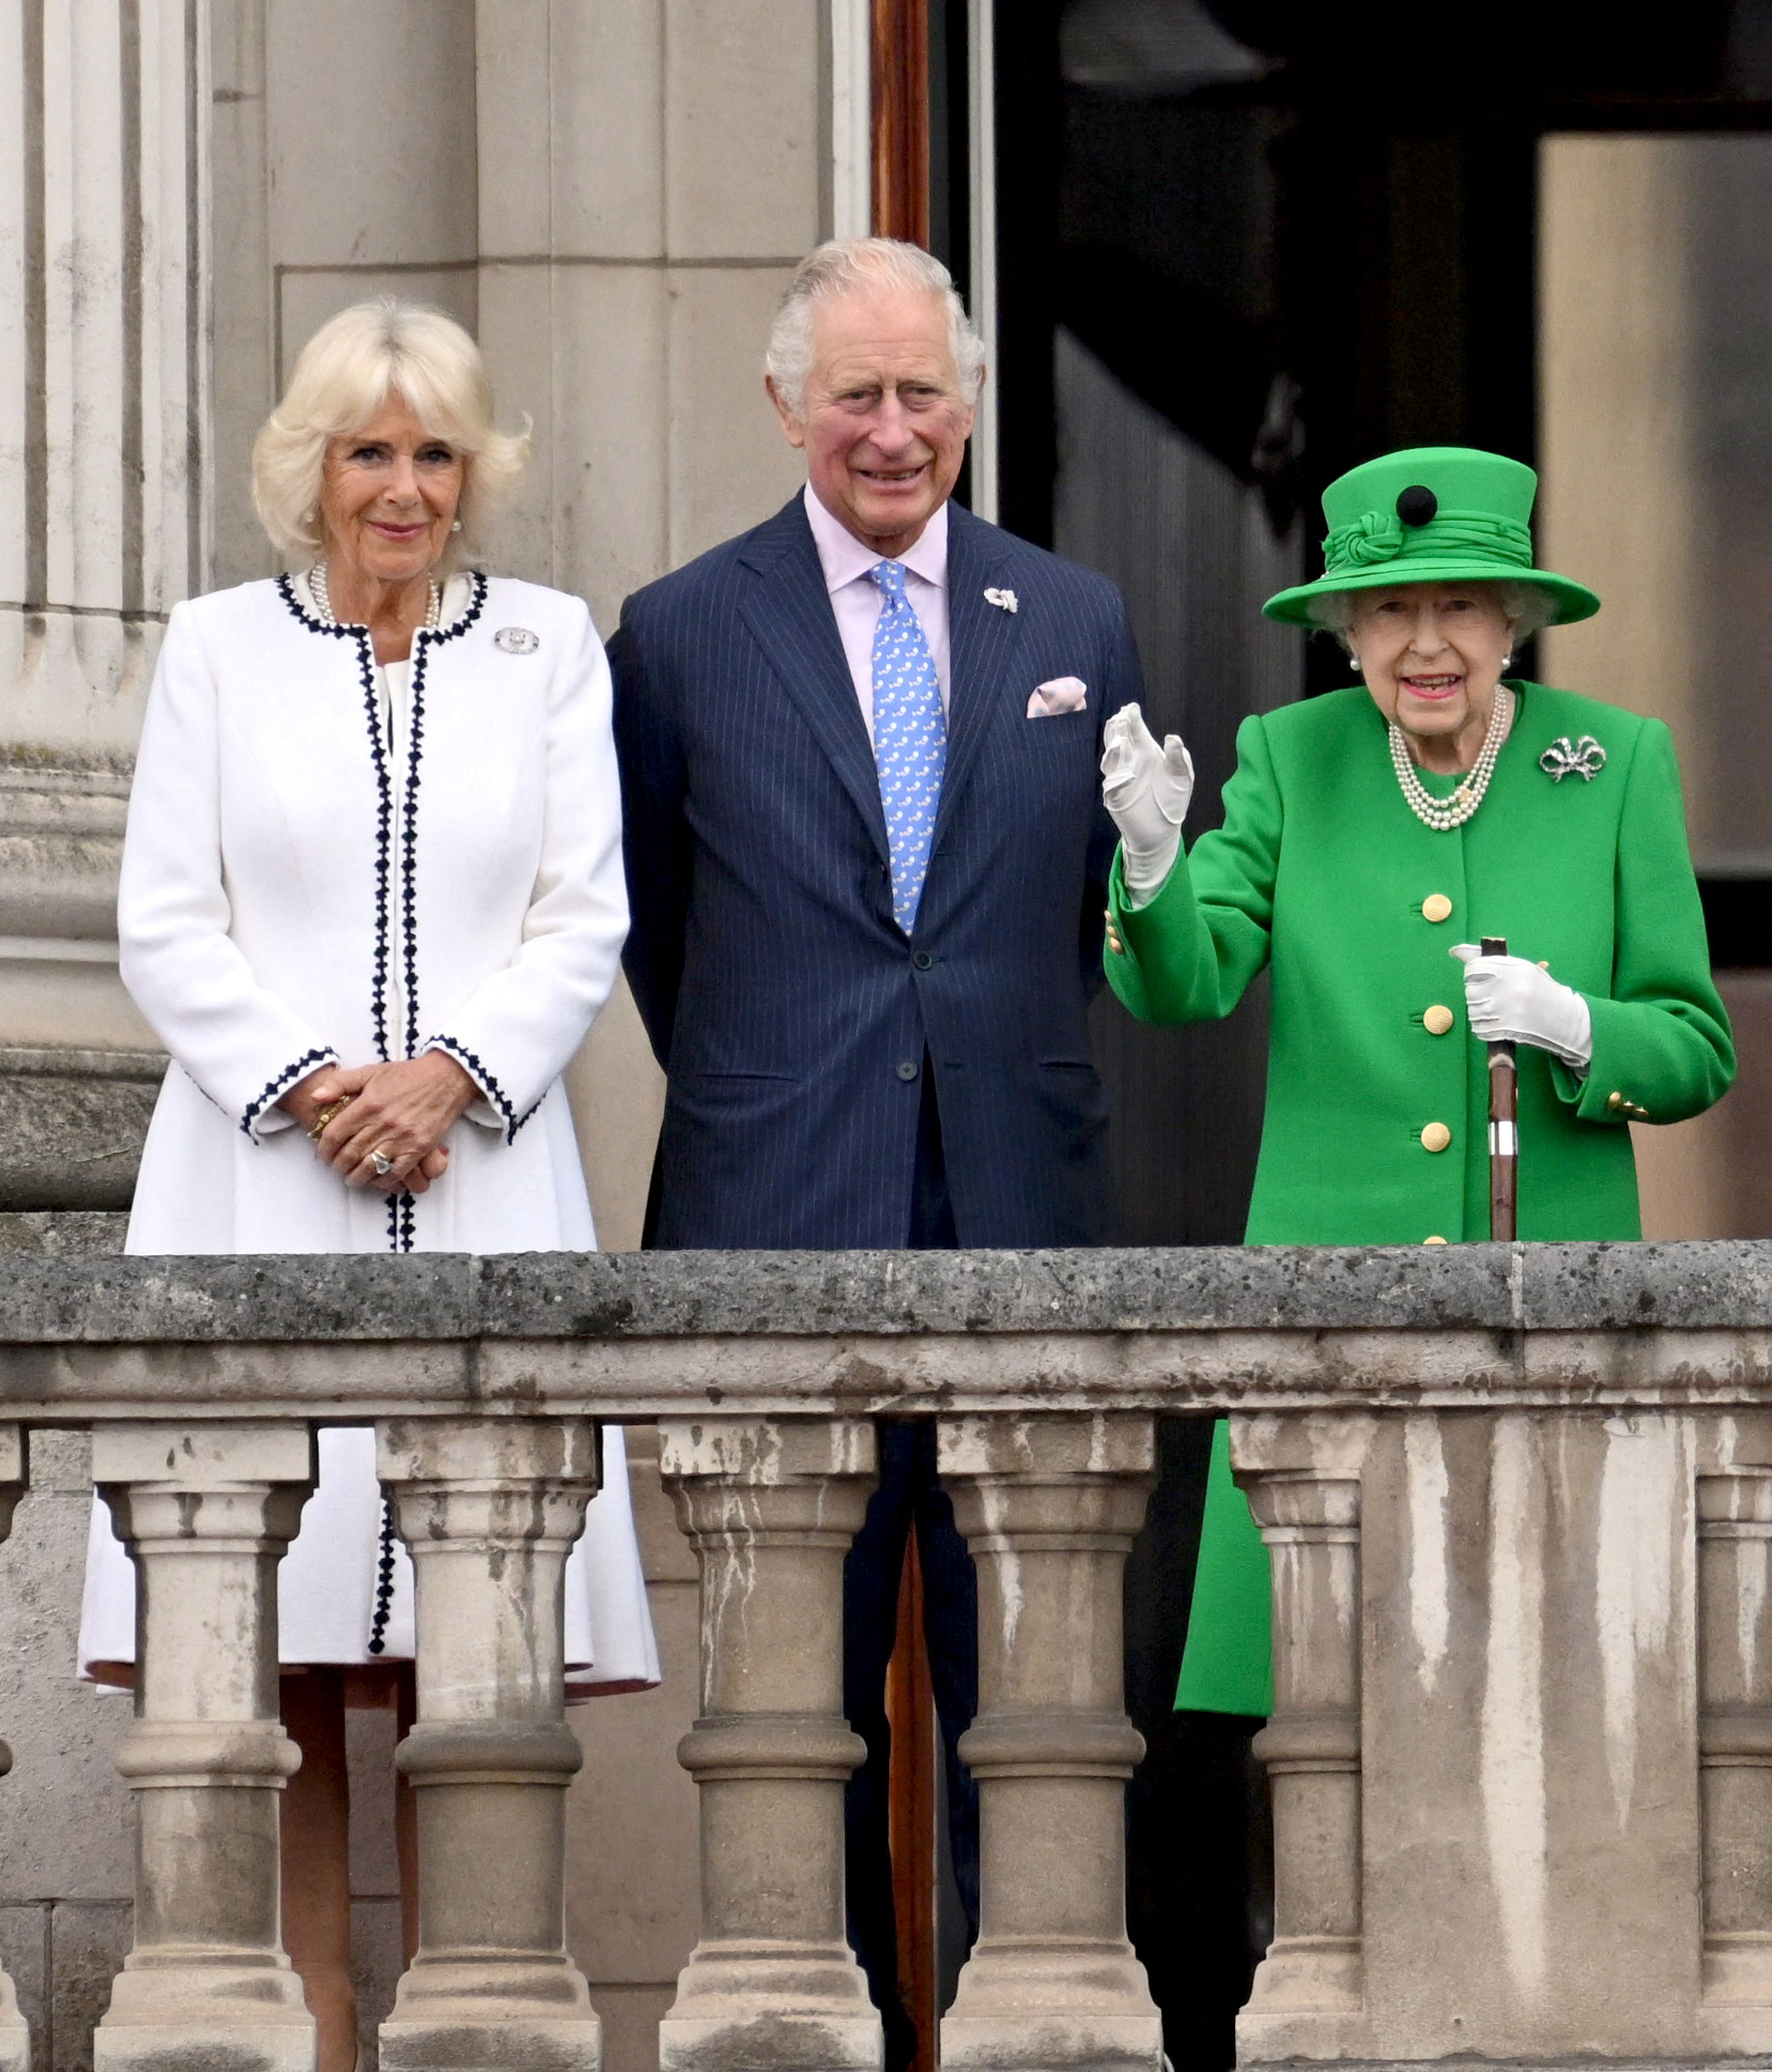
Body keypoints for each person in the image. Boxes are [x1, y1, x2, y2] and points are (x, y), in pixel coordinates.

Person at [79, 298, 660, 2072]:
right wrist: (317, 1090)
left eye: (432, 454)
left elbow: (584, 914)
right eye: (367, 453)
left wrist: (452, 1077)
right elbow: (167, 921)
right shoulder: (215, 649)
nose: (402, 489)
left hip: (481, 1179)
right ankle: (319, 2039)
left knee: (467, 1646)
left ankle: (471, 2031)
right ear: (311, 470)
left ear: (472, 473)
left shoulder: (546, 649)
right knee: (283, 1644)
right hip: (262, 1185)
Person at [610, 237, 1145, 2067]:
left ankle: (1026, 2030)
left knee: (1034, 1695)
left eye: (924, 392)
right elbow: (658, 931)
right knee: (794, 1707)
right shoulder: (679, 630)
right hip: (779, 1210)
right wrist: (794, 1083)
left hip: (1020, 1207)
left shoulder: (1074, 619)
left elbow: (1090, 913)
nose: (893, 429)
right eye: (857, 394)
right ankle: (823, 2029)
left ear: (970, 404)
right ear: (788, 406)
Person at [1099, 443, 1735, 1720]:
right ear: (1347, 633)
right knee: (1329, 1701)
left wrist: (1575, 1025)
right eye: (1391, 608)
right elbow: (1187, 983)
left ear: (1515, 623)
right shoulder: (1293, 755)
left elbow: (1695, 1047)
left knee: (1549, 1701)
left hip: (1549, 1319)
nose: (1427, 642)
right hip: (1331, 1310)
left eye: (1460, 605)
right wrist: (1155, 866)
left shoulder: (1614, 762)